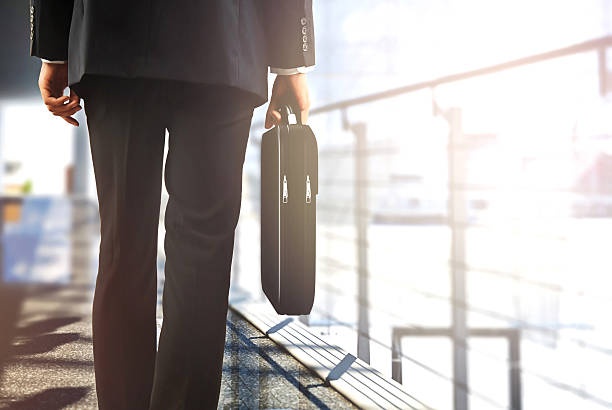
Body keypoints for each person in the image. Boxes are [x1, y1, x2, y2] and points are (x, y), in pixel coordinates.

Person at [29, 0, 315, 408]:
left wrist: (55, 46)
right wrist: (292, 61)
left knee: (123, 246)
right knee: (203, 250)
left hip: (111, 40)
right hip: (223, 41)